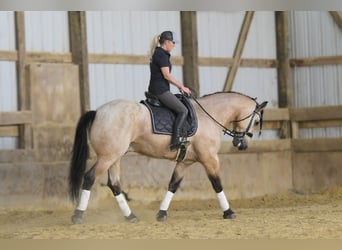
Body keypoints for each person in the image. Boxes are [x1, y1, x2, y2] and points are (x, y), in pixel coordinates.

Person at [148, 30, 192, 151]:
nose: (174, 45)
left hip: (159, 88)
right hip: (160, 90)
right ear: (167, 42)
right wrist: (181, 86)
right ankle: (175, 141)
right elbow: (166, 75)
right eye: (173, 42)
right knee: (183, 110)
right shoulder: (161, 55)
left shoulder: (160, 53)